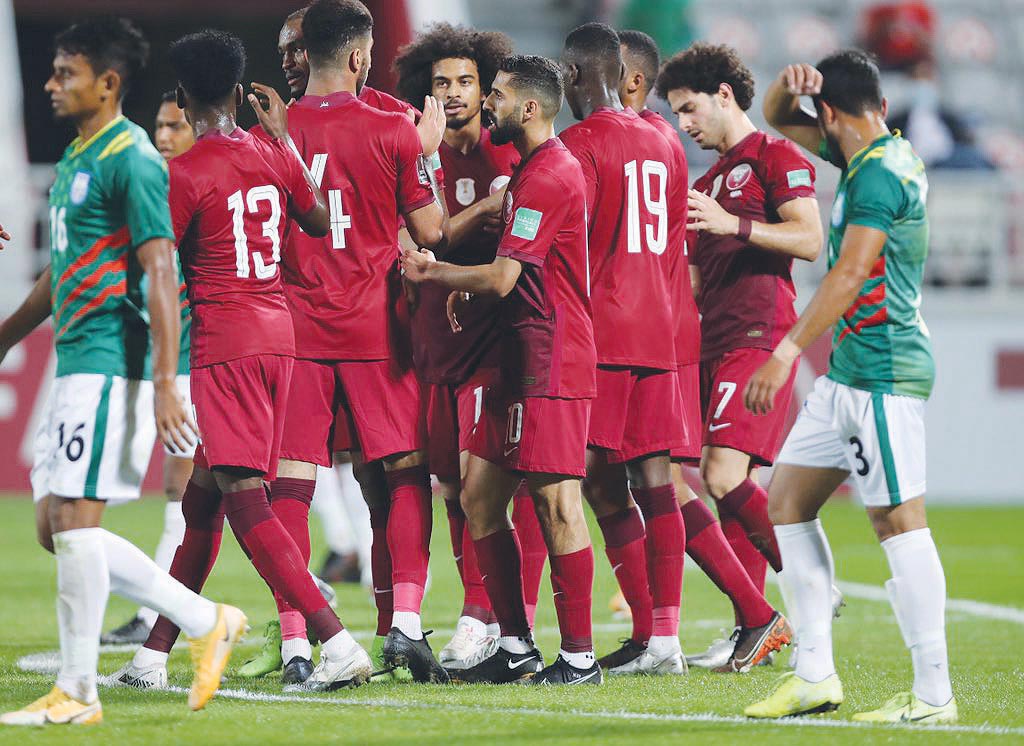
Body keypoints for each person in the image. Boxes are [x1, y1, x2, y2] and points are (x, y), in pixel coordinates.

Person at [111, 29, 376, 695]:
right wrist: (284, 143)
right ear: (237, 90)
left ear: (179, 97)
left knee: (244, 503)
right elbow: (316, 222)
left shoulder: (186, 172)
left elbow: (153, 271)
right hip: (280, 336)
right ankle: (151, 659)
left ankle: (334, 640)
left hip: (226, 345)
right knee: (202, 511)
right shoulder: (272, 153)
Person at [0, 18, 244, 725]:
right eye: (51, 72)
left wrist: (168, 381)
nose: (51, 84)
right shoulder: (78, 159)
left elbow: (161, 268)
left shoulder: (132, 159)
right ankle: (203, 619)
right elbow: (58, 275)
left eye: (65, 73)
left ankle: (77, 692)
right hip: (77, 360)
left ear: (107, 83)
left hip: (113, 364)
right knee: (55, 526)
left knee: (76, 522)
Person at [745, 50, 956, 723]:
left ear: (830, 117)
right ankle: (814, 675)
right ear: (880, 109)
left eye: (818, 117)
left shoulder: (874, 179)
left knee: (897, 520)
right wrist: (787, 87)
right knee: (786, 503)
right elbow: (777, 117)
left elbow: (850, 273)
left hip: (882, 371)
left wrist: (783, 353)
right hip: (848, 374)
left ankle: (933, 695)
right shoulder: (873, 155)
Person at [259, 0, 450, 684]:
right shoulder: (396, 128)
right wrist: (424, 156)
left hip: (295, 329)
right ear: (362, 57)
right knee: (401, 474)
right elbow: (430, 234)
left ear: (304, 54)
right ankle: (401, 625)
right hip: (376, 331)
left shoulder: (269, 134)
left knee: (291, 487)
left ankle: (295, 645)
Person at [402, 54, 600, 686]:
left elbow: (504, 275)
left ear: (531, 108)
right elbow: (509, 270)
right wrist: (471, 288)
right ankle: (515, 646)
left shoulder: (549, 175)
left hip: (552, 356)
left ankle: (578, 658)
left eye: (499, 96)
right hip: (521, 355)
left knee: (557, 503)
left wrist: (437, 274)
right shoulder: (530, 172)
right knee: (480, 498)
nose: (489, 105)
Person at [656, 42, 827, 671]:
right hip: (712, 341)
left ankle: (811, 582)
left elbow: (809, 239)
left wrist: (734, 225)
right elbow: (696, 283)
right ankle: (749, 628)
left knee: (721, 475)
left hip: (760, 336)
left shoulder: (775, 155)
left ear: (724, 93)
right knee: (736, 481)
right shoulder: (705, 184)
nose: (684, 124)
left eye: (690, 108)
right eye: (675, 114)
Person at [393, 21, 549, 671]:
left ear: (488, 90)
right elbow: (412, 239)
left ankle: (494, 618)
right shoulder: (415, 150)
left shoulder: (511, 153)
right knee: (453, 486)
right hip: (434, 335)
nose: (453, 92)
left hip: (496, 335)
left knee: (504, 484)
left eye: (465, 82)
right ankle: (481, 613)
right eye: (441, 83)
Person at [556, 22, 687, 677]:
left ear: (578, 75)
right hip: (656, 331)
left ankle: (619, 636)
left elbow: (564, 250)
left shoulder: (574, 146)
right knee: (653, 483)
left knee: (568, 481)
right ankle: (660, 638)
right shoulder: (667, 141)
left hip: (600, 335)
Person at [101, 90, 198, 646]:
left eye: (175, 127)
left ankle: (156, 616)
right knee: (195, 491)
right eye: (159, 126)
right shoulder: (149, 188)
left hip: (189, 361)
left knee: (184, 488)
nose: (163, 136)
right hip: (151, 359)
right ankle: (301, 588)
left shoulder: (196, 187)